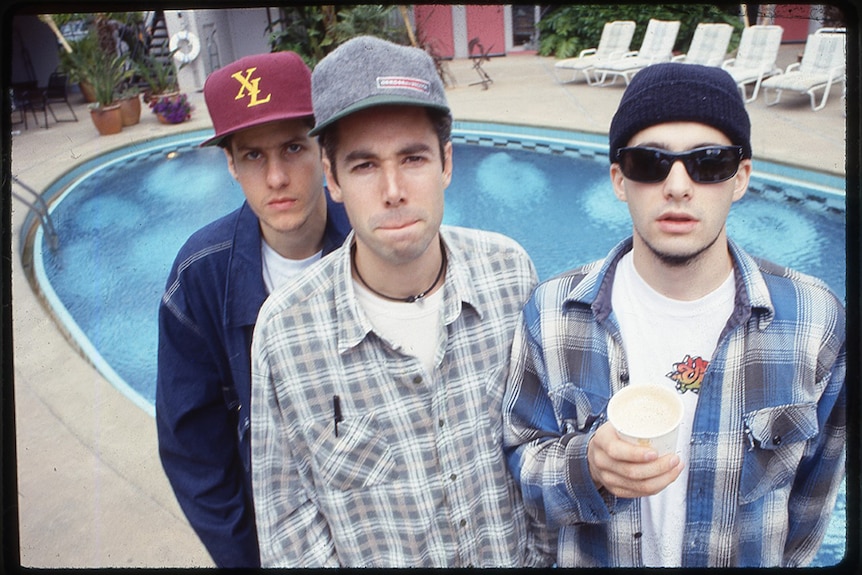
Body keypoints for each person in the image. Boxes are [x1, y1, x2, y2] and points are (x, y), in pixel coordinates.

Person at [503, 62, 845, 568]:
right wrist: (587, 467)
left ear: (740, 177)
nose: (679, 186)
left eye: (708, 162)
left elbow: (813, 502)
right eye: (650, 162)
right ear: (620, 180)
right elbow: (521, 462)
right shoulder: (552, 314)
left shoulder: (815, 322)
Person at [250, 35, 556, 567]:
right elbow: (289, 526)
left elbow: (542, 446)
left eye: (413, 158)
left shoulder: (511, 275)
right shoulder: (286, 331)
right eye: (365, 165)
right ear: (333, 179)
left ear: (446, 164)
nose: (393, 190)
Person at [155, 51, 351, 568]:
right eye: (253, 156)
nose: (277, 177)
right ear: (230, 165)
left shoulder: (372, 239)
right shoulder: (200, 275)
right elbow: (194, 449)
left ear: (323, 148)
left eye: (292, 147)